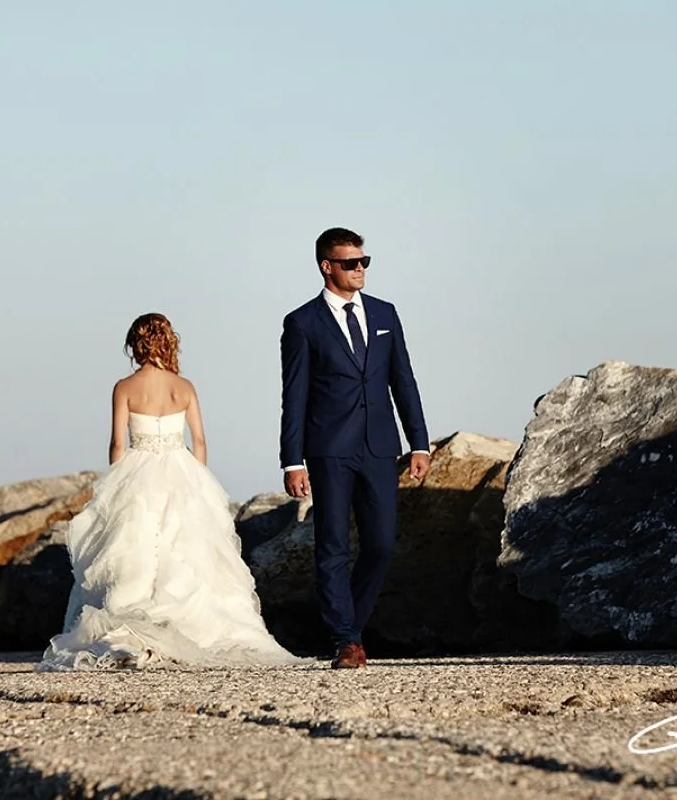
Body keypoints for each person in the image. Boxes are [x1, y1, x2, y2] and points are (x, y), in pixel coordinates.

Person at [39, 313, 302, 669]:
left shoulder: (125, 387)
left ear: (135, 344)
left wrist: (116, 482)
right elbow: (201, 442)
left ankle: (137, 621)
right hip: (181, 469)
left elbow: (118, 443)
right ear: (168, 342)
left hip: (139, 471)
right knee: (187, 553)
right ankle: (194, 630)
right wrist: (198, 481)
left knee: (137, 551)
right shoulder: (185, 387)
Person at [280, 228, 431, 669]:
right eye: (351, 263)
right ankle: (346, 639)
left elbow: (403, 379)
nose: (360, 269)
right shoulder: (302, 322)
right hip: (328, 449)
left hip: (381, 446)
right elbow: (295, 395)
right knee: (331, 546)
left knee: (381, 545)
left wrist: (418, 441)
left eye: (365, 262)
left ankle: (351, 629)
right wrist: (292, 460)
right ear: (328, 266)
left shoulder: (386, 313)